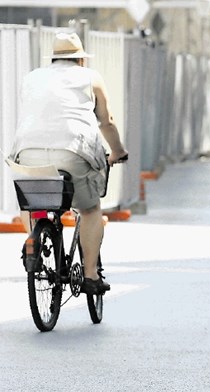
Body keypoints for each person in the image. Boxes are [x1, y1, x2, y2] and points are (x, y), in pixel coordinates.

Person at [9, 32, 128, 295]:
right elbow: (106, 121)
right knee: (90, 209)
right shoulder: (90, 77)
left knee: (33, 202)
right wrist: (118, 151)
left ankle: (34, 241)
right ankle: (90, 275)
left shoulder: (32, 77)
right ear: (81, 60)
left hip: (27, 152)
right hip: (73, 153)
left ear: (52, 58)